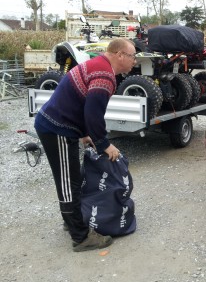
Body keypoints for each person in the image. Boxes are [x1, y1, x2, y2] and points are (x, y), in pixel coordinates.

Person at [35, 38, 137, 252]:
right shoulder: (104, 75)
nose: (134, 61)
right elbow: (93, 113)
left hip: (64, 126)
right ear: (120, 55)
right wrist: (103, 144)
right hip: (57, 129)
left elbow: (82, 104)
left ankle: (73, 220)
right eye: (132, 56)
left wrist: (86, 135)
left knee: (75, 178)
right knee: (68, 184)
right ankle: (81, 237)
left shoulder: (99, 66)